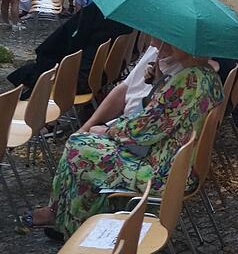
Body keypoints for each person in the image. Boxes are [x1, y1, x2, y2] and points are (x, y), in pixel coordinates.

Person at [25, 44, 224, 237]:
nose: (170, 43)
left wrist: (109, 130)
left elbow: (146, 129)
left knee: (79, 147)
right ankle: (70, 217)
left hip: (161, 172)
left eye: (177, 39)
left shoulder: (188, 79)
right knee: (83, 146)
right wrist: (159, 82)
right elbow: (163, 117)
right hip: (174, 165)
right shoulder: (207, 76)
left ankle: (72, 224)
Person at [78, 38, 183, 134]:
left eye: (158, 37)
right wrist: (84, 129)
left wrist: (107, 132)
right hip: (126, 125)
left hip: (137, 136)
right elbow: (124, 89)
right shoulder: (156, 51)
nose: (151, 43)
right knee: (78, 139)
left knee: (77, 145)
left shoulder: (187, 74)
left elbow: (158, 121)